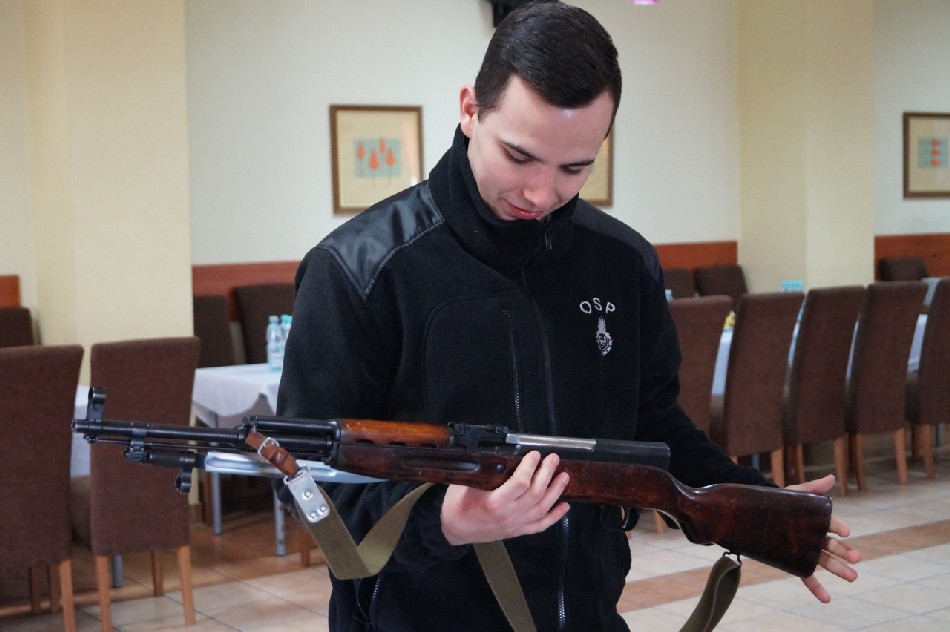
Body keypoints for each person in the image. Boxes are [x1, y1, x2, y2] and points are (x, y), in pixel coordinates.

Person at [277, 2, 859, 630]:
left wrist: (757, 510)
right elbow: (304, 475)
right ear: (470, 110)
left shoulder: (623, 261)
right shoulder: (360, 268)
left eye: (574, 168)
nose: (541, 193)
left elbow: (652, 426)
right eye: (519, 156)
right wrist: (445, 520)